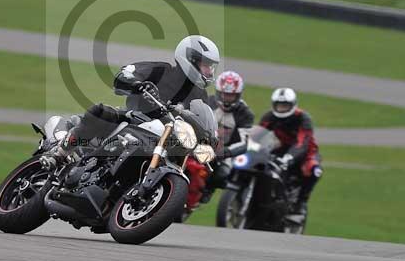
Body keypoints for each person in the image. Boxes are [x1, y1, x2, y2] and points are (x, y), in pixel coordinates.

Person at [40, 35, 220, 169]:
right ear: (191, 59)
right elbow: (126, 72)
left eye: (212, 67)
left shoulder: (200, 96)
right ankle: (59, 153)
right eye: (206, 65)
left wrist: (210, 139)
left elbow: (202, 122)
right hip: (134, 120)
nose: (210, 72)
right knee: (100, 112)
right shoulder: (160, 70)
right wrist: (138, 84)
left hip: (167, 141)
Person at [258, 87, 322, 219]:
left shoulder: (303, 118)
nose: (281, 108)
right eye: (279, 105)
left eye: (285, 105)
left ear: (293, 105)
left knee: (315, 170)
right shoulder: (269, 116)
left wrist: (289, 157)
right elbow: (258, 134)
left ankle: (301, 202)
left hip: (306, 152)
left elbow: (302, 142)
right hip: (280, 149)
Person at [193, 71, 255, 206]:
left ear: (238, 95)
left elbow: (245, 142)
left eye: (231, 95)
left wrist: (224, 152)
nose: (227, 98)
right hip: (199, 141)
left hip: (224, 151)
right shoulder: (207, 101)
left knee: (222, 175)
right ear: (218, 92)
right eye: (224, 94)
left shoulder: (245, 113)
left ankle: (206, 191)